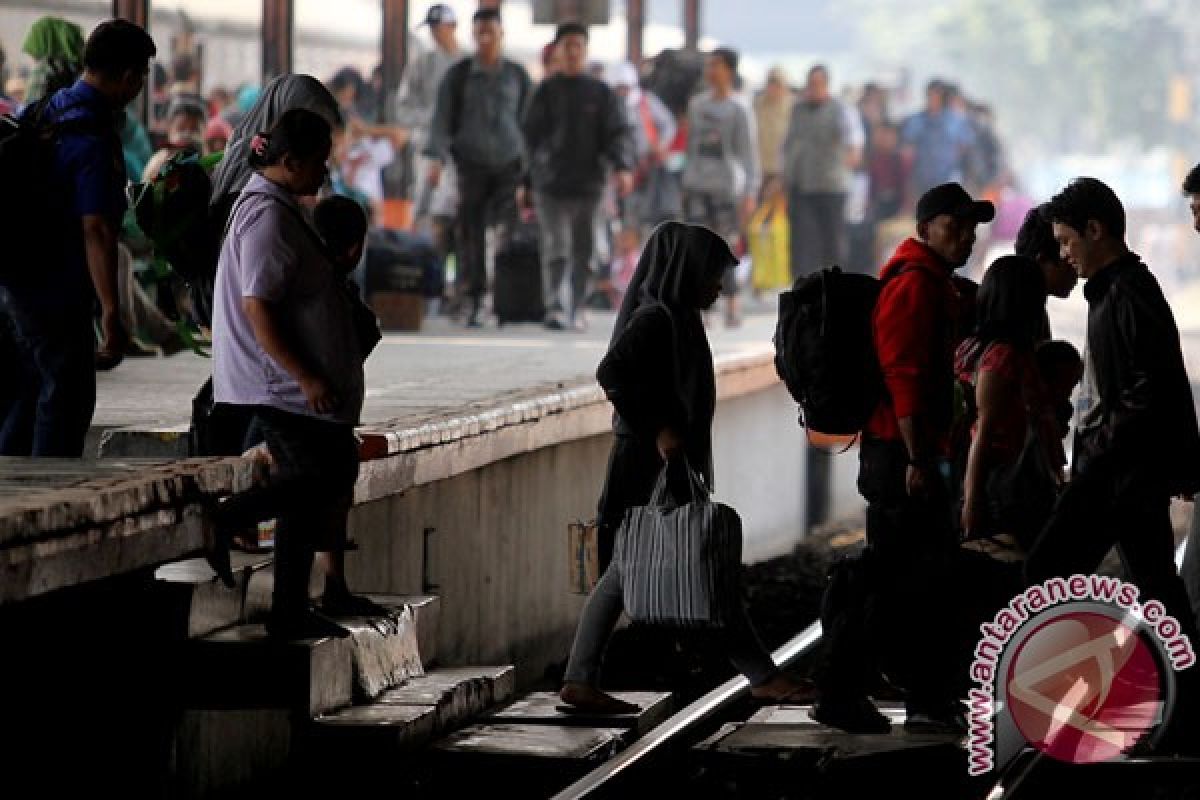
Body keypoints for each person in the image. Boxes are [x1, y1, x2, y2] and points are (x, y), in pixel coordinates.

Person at [557, 222, 813, 713]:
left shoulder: (678, 317)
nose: (719, 286)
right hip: (644, 463)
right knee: (697, 568)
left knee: (656, 570)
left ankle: (580, 678)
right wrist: (658, 429)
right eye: (712, 275)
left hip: (661, 463)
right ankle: (761, 675)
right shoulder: (657, 320)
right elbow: (612, 373)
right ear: (685, 271)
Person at [1025, 178, 1200, 751]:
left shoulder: (1126, 294)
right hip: (1125, 474)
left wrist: (1099, 448)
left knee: (1044, 572)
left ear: (1096, 231)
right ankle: (1184, 706)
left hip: (1116, 475)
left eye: (1068, 240)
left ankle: (1062, 700)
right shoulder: (1118, 290)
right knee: (1157, 589)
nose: (1064, 254)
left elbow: (1150, 390)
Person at [814, 182, 994, 735]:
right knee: (894, 579)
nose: (966, 237)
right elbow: (905, 378)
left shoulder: (934, 283)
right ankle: (842, 692)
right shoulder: (913, 286)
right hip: (901, 455)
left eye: (971, 228)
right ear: (925, 227)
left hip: (911, 453)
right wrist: (920, 459)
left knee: (920, 579)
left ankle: (925, 698)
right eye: (955, 226)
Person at [209, 109, 372, 637]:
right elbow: (259, 306)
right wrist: (306, 376)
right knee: (305, 483)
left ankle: (290, 608)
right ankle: (231, 518)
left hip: (290, 387)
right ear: (289, 161)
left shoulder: (281, 207)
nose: (323, 175)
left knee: (311, 489)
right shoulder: (268, 218)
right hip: (279, 386)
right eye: (317, 164)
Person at [0, 19, 155, 457]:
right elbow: (97, 229)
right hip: (53, 287)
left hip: (14, 281)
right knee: (64, 398)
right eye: (141, 77)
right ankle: (51, 498)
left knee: (26, 393)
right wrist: (111, 310)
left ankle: (12, 498)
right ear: (129, 76)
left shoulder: (45, 109)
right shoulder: (92, 134)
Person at [520, 23, 633, 332]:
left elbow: (617, 134)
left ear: (585, 51)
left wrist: (622, 167)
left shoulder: (600, 93)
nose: (571, 52)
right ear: (557, 50)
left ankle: (577, 306)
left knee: (585, 250)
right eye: (566, 46)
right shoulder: (544, 91)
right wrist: (526, 181)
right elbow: (529, 140)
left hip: (589, 183)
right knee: (555, 247)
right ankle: (555, 307)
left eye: (577, 46)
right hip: (549, 183)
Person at [425, 8, 531, 328]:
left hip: (510, 165)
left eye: (491, 30)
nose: (485, 36)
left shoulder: (517, 75)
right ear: (472, 34)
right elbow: (442, 119)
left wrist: (530, 170)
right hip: (469, 163)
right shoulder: (458, 76)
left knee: (506, 232)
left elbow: (531, 122)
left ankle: (504, 299)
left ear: (502, 33)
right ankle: (472, 297)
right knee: (470, 232)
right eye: (479, 31)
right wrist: (436, 158)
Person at [681, 47, 758, 328]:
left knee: (724, 247)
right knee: (698, 247)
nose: (711, 71)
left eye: (717, 65)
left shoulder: (740, 109)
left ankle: (732, 303)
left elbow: (749, 154)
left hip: (727, 187)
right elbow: (690, 147)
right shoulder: (697, 105)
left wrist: (750, 190)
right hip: (698, 184)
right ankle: (704, 306)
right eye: (709, 65)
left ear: (729, 70)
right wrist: (686, 180)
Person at [780, 65, 863, 280]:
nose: (813, 89)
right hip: (803, 185)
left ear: (826, 85)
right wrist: (785, 175)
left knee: (833, 240)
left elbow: (853, 138)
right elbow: (789, 144)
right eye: (810, 84)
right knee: (804, 241)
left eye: (818, 84)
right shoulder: (798, 110)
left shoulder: (841, 109)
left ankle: (834, 284)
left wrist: (852, 153)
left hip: (832, 186)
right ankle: (805, 286)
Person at [395, 4, 462, 240]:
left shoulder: (469, 64)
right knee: (425, 208)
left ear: (452, 27)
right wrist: (433, 118)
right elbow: (403, 109)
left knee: (459, 210)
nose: (435, 33)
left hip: (464, 151)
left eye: (439, 27)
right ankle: (422, 263)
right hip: (427, 149)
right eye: (432, 28)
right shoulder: (421, 63)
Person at [900, 80, 975, 198]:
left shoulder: (957, 121)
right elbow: (907, 147)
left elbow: (965, 147)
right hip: (921, 178)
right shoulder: (916, 120)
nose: (933, 99)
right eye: (931, 95)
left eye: (937, 95)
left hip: (948, 179)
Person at [1013, 203, 1078, 340]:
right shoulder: (1022, 317)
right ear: (1041, 260)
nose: (1076, 272)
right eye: (1068, 263)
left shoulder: (1034, 309)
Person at [141, 94, 207, 182]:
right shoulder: (157, 163)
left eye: (195, 130)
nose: (187, 134)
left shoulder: (209, 163)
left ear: (204, 131)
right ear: (169, 129)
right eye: (181, 128)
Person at [753, 66, 794, 191]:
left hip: (783, 172)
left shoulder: (794, 107)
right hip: (759, 170)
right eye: (771, 83)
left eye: (778, 84)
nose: (774, 88)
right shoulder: (756, 105)